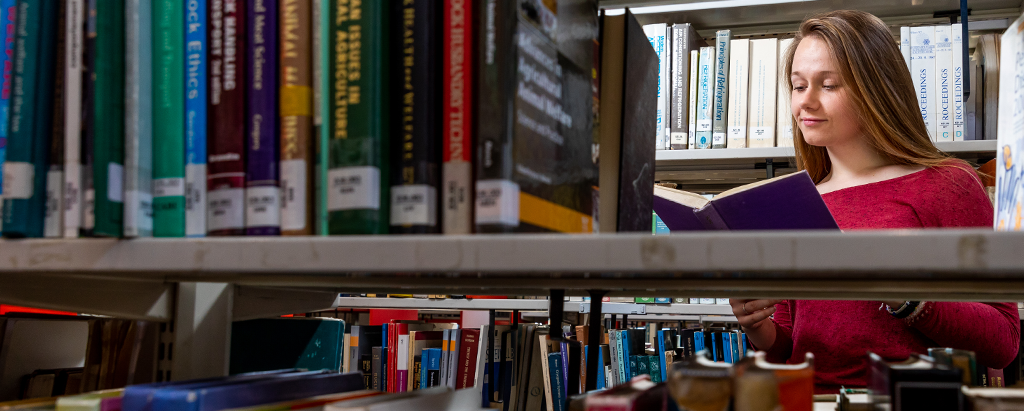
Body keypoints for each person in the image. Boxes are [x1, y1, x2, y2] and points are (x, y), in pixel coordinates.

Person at [730, 10, 1020, 393]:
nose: (807, 102)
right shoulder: (798, 199)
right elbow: (791, 347)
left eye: (828, 85)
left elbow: (1003, 342)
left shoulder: (948, 183)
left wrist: (907, 296)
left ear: (877, 88)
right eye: (799, 86)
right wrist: (759, 327)